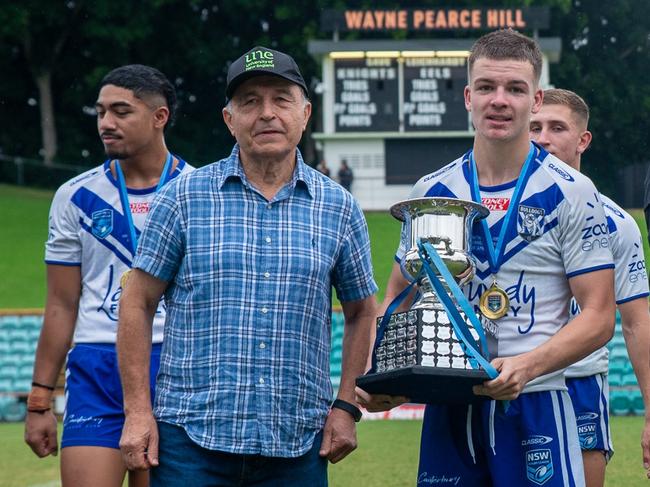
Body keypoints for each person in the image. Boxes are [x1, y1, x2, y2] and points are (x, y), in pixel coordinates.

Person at [357, 29, 615, 486]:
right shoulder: (431, 192)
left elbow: (598, 316)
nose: (500, 100)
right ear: (467, 96)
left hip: (535, 402)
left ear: (535, 100)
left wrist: (526, 365)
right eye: (487, 87)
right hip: (449, 406)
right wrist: (386, 375)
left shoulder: (573, 193)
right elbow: (397, 297)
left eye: (515, 89)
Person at [117, 46, 377, 486]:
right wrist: (138, 411)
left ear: (306, 112)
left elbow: (362, 311)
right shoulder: (183, 197)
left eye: (281, 99)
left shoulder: (340, 208)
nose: (267, 113)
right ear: (229, 118)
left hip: (296, 442)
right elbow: (137, 301)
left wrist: (347, 406)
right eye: (250, 101)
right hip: (190, 442)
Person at [23, 65, 192, 487]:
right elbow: (61, 304)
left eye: (120, 112)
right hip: (97, 364)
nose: (106, 124)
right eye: (100, 112)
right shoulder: (74, 197)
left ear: (159, 117)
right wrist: (40, 400)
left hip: (176, 365)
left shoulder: (198, 191)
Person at [530, 88, 650, 485]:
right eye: (534, 126)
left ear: (583, 140)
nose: (542, 137)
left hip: (579, 383)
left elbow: (635, 323)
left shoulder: (617, 223)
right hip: (508, 380)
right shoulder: (490, 210)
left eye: (556, 127)